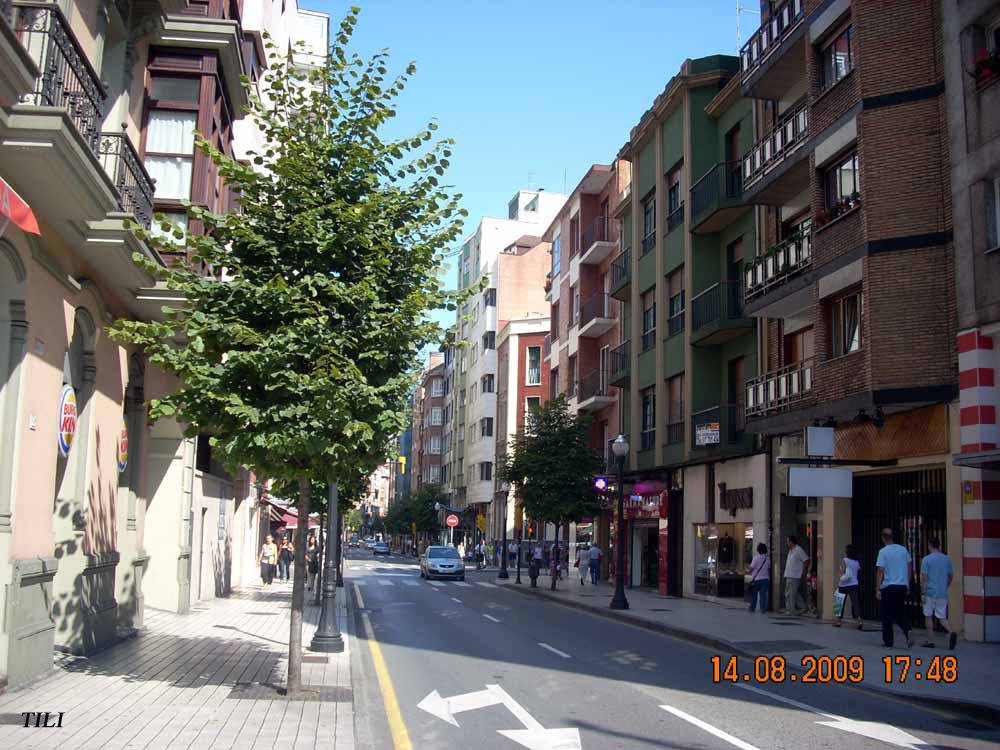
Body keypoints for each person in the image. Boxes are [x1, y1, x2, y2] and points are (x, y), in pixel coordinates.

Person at [876, 528, 914, 648]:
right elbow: (909, 567)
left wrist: (877, 588)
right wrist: (907, 583)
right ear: (892, 536)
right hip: (902, 586)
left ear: (883, 538)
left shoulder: (883, 552)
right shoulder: (903, 550)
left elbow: (880, 571)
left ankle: (888, 641)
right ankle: (907, 630)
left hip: (889, 586)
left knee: (886, 614)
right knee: (899, 612)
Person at [920, 537, 957, 650]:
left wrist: (923, 593)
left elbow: (924, 579)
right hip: (942, 592)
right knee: (941, 617)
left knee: (928, 616)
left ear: (930, 545)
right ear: (939, 545)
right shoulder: (947, 559)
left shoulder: (926, 560)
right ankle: (951, 632)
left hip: (930, 592)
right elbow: (951, 576)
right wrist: (945, 586)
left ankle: (930, 640)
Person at [834, 544, 863, 629]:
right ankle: (859, 620)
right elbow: (857, 572)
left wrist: (840, 575)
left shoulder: (845, 560)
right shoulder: (857, 562)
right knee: (855, 603)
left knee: (839, 603)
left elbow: (841, 572)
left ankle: (838, 621)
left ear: (847, 552)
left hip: (843, 585)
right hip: (854, 584)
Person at [783, 536, 810, 615]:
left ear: (792, 542)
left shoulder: (798, 549)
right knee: (791, 592)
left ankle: (791, 610)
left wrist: (804, 572)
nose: (787, 543)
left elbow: (806, 560)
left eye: (788, 541)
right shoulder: (791, 550)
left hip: (795, 575)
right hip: (789, 574)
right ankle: (802, 607)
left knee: (791, 594)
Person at [748, 543, 770, 613]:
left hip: (756, 579)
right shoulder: (767, 558)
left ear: (758, 550)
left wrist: (748, 570)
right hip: (765, 579)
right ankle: (763, 609)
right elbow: (769, 569)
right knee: (763, 595)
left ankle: (752, 608)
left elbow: (751, 568)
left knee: (754, 595)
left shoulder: (755, 558)